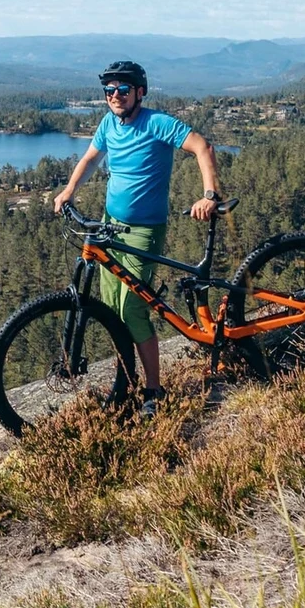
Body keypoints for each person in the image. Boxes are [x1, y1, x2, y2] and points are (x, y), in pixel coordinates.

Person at [51, 60, 222, 416]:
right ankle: (125, 383)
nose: (115, 96)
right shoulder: (109, 123)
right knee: (113, 311)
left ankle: (153, 392)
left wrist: (209, 195)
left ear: (139, 93)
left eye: (122, 90)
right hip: (109, 225)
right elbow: (90, 159)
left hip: (144, 231)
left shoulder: (156, 123)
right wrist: (68, 191)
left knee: (132, 309)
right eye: (109, 91)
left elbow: (202, 147)